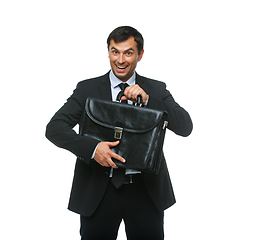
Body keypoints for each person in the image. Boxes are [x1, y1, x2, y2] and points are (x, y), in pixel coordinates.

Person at [45, 26, 193, 240]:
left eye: (128, 52)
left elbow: (185, 127)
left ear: (140, 55)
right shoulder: (87, 89)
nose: (120, 60)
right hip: (98, 191)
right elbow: (55, 128)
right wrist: (93, 148)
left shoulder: (156, 89)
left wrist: (150, 100)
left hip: (145, 192)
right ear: (108, 52)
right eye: (115, 51)